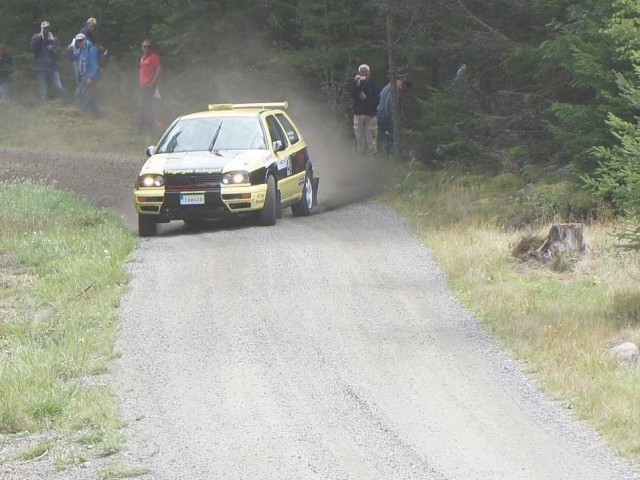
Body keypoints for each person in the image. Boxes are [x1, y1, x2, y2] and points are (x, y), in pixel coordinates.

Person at [30, 21, 65, 103]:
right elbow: (32, 49)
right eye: (44, 28)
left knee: (58, 86)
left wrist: (52, 49)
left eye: (47, 28)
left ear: (49, 29)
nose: (45, 30)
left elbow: (59, 54)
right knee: (43, 88)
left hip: (52, 66)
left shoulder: (54, 39)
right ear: (41, 29)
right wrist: (38, 40)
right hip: (40, 66)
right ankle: (44, 105)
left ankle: (63, 102)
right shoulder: (36, 37)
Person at [377, 77, 413, 155]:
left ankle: (383, 154)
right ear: (405, 86)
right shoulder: (396, 89)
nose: (406, 92)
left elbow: (399, 106)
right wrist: (390, 118)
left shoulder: (393, 85)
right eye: (407, 90)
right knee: (389, 137)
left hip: (379, 113)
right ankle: (387, 155)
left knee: (383, 137)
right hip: (384, 116)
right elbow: (388, 103)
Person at [68, 33, 102, 117]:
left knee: (85, 94)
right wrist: (69, 51)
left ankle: (83, 113)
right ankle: (98, 114)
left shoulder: (91, 49)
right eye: (77, 41)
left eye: (80, 41)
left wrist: (90, 78)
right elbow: (74, 57)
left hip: (93, 76)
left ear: (85, 40)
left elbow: (94, 65)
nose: (79, 43)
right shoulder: (81, 49)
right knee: (87, 95)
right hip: (85, 75)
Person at [71, 18, 108, 90]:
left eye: (94, 26)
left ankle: (87, 93)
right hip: (81, 58)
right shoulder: (85, 31)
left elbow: (93, 41)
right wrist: (97, 46)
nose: (93, 28)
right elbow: (90, 43)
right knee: (82, 79)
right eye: (92, 26)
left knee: (85, 77)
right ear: (88, 24)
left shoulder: (87, 34)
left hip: (83, 58)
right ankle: (82, 96)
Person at [350, 64, 379, 154]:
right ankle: (360, 156)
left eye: (366, 72)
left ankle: (372, 155)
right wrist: (357, 83)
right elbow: (353, 94)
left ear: (369, 73)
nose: (365, 74)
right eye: (362, 72)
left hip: (370, 115)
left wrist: (366, 98)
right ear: (359, 73)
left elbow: (377, 100)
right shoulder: (355, 84)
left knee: (371, 137)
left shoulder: (373, 84)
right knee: (359, 137)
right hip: (359, 115)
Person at [138, 39, 162, 131]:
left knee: (145, 105)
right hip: (142, 85)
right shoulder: (142, 58)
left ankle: (144, 126)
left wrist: (153, 82)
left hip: (149, 86)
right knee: (144, 105)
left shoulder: (153, 57)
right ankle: (148, 126)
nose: (147, 48)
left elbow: (158, 69)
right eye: (145, 46)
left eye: (148, 46)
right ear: (142, 48)